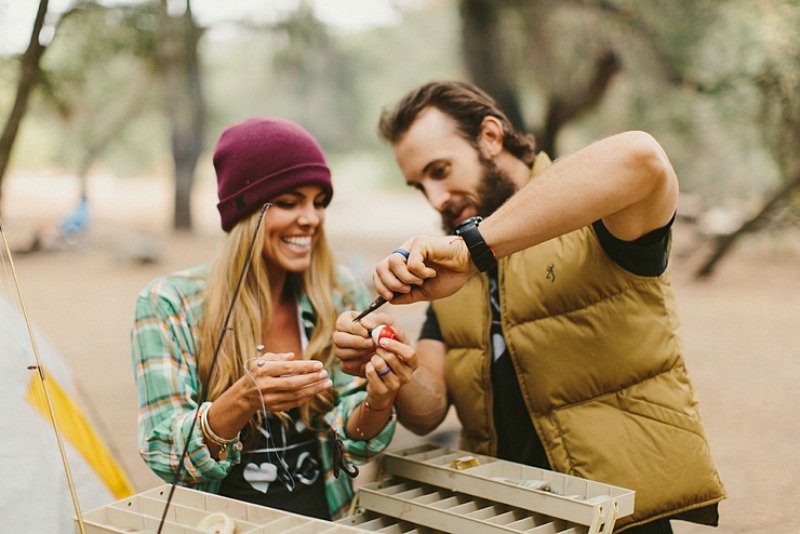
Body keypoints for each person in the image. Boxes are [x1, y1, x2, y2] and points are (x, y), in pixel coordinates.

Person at [333, 82, 724, 532]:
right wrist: (391, 364)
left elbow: (642, 157)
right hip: (505, 516)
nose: (436, 198)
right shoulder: (452, 262)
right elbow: (428, 413)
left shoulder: (595, 211)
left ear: (492, 137)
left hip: (617, 519)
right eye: (420, 185)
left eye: (440, 170)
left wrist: (474, 248)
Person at [131, 117, 417, 521]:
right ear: (243, 214)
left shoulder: (340, 293)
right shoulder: (168, 304)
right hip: (221, 526)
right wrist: (243, 399)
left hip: (328, 521)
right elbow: (165, 452)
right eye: (288, 202)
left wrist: (381, 397)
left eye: (319, 202)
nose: (311, 219)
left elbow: (355, 445)